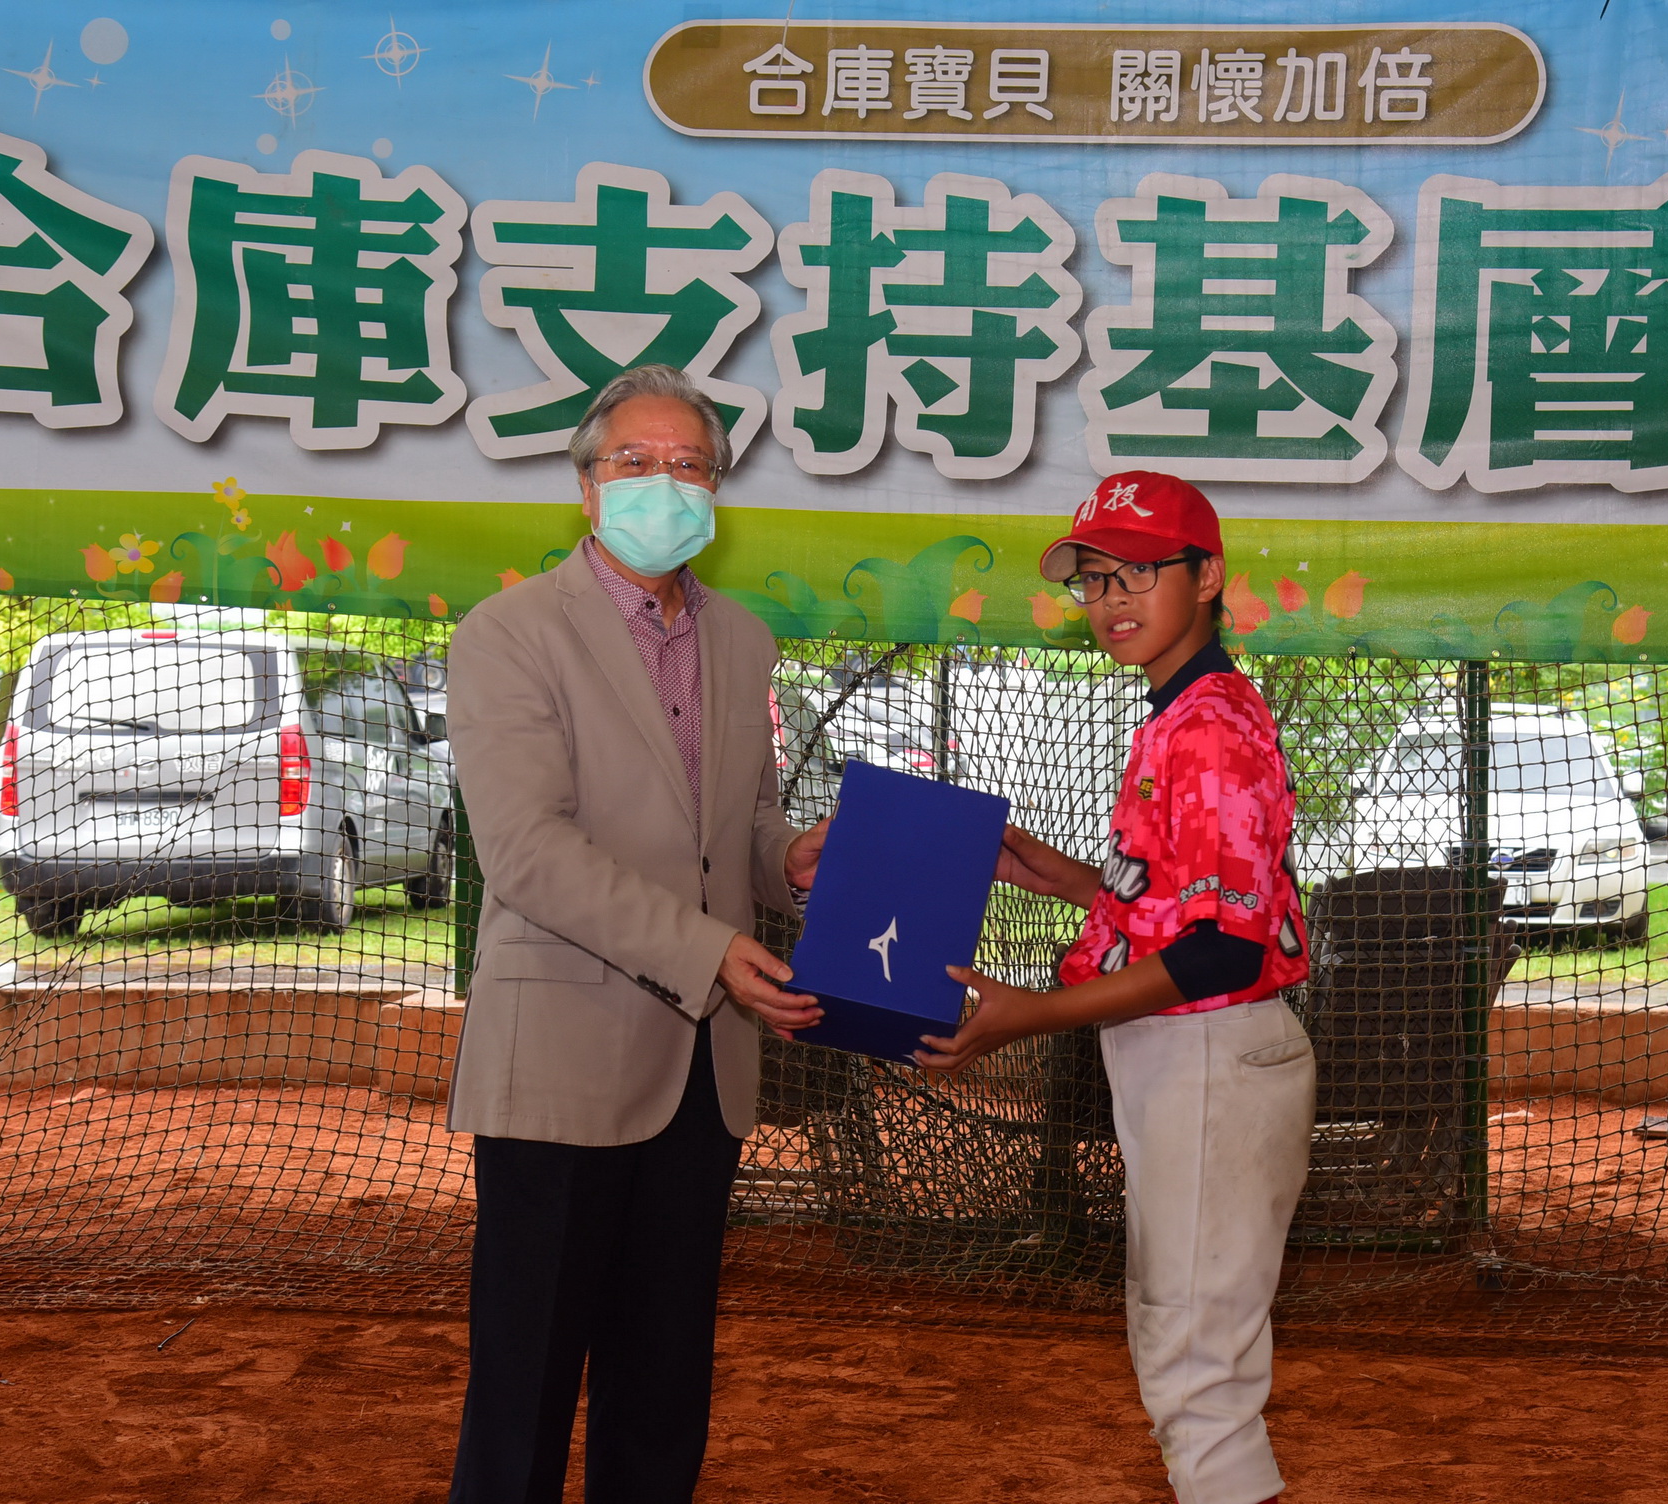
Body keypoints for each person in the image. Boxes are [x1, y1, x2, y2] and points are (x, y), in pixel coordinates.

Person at [443, 364, 828, 1504]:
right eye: (636, 461)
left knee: (663, 1395)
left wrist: (789, 858)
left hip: (704, 1073)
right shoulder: (509, 634)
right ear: (585, 486)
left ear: (719, 489)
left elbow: (736, 831)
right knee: (524, 1395)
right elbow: (528, 852)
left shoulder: (746, 641)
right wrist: (710, 951)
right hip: (561, 1065)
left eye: (690, 464)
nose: (665, 482)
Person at [919, 471, 1314, 1504]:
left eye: (1139, 573)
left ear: (1209, 576)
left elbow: (1223, 948)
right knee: (1184, 1344)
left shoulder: (1211, 725)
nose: (1110, 599)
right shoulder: (1179, 713)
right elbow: (1170, 900)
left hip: (1211, 1049)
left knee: (1198, 1371)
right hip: (1187, 1055)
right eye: (1094, 580)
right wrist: (1046, 870)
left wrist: (1032, 1015)